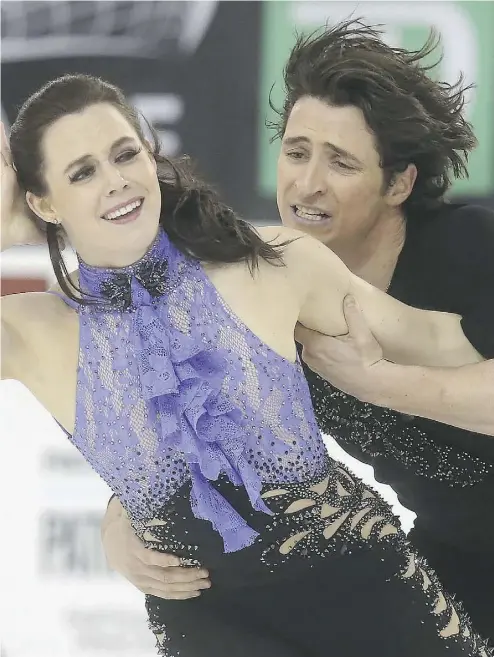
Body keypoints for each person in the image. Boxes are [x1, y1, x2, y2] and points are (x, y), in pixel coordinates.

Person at [1, 74, 491, 657]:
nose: (116, 181)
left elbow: (438, 338)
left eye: (125, 154)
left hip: (366, 590)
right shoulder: (31, 331)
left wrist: (386, 381)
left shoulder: (275, 264)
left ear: (151, 158)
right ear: (42, 201)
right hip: (210, 624)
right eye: (82, 173)